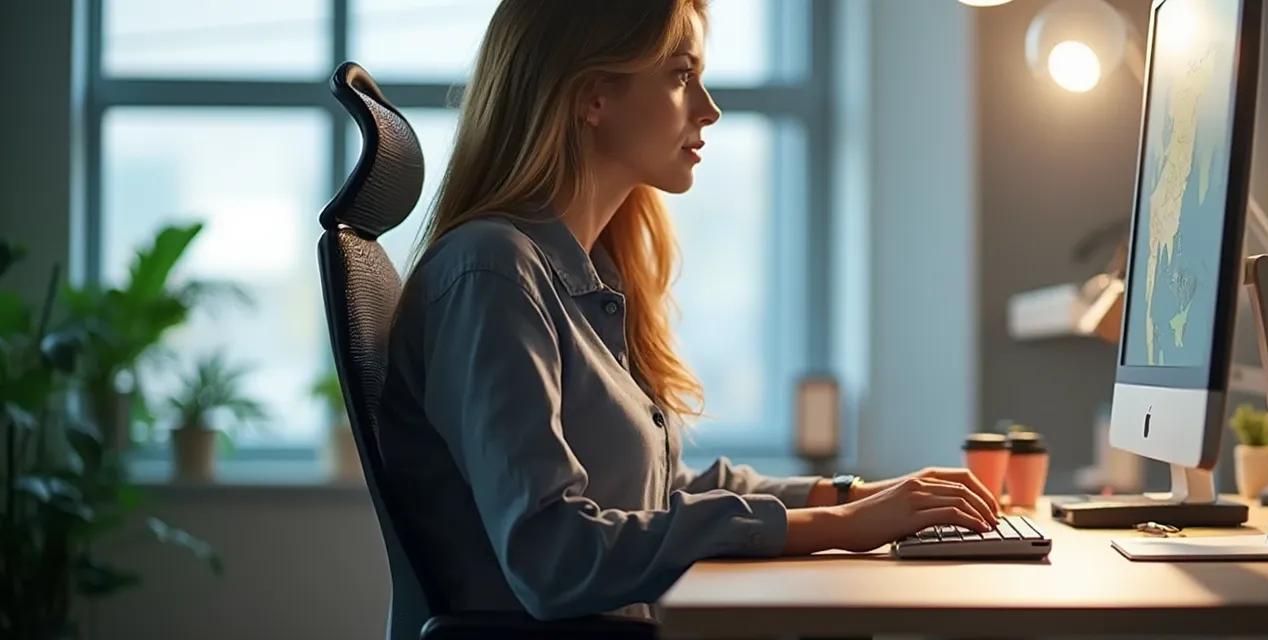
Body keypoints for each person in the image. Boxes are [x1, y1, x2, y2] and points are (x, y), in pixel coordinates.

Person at [379, 0, 1000, 623]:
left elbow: (663, 489)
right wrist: (834, 524)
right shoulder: (491, 273)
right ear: (594, 97)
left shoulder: (587, 277)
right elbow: (554, 556)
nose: (709, 107)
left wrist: (853, 495)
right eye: (681, 75)